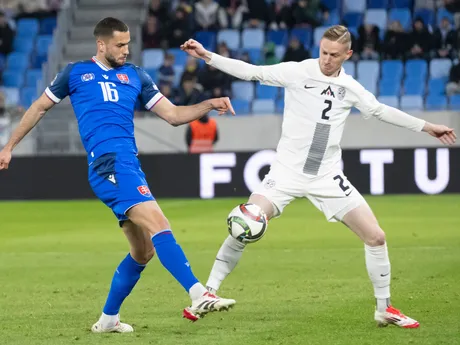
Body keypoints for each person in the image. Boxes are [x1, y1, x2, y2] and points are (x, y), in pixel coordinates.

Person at [180, 25, 457, 328]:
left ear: (347, 55)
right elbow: (252, 72)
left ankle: (384, 309)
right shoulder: (298, 72)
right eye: (323, 52)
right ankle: (208, 292)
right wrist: (207, 56)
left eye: (334, 55)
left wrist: (428, 127)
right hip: (285, 172)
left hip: (326, 176)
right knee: (245, 223)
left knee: (376, 237)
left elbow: (380, 111)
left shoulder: (350, 88)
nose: (326, 59)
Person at [0, 17, 237, 333]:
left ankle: (108, 319)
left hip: (129, 165)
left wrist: (208, 103)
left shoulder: (136, 76)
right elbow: (39, 108)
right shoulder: (74, 73)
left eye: (128, 43)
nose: (127, 49)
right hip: (109, 166)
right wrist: (9, 146)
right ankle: (197, 293)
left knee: (143, 251)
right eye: (120, 45)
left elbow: (174, 115)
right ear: (101, 44)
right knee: (159, 224)